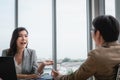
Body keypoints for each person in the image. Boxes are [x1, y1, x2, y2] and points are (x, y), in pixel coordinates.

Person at [52, 15, 120, 80]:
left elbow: (75, 78)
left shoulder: (97, 56)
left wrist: (58, 77)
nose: (91, 33)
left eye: (92, 30)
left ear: (98, 33)